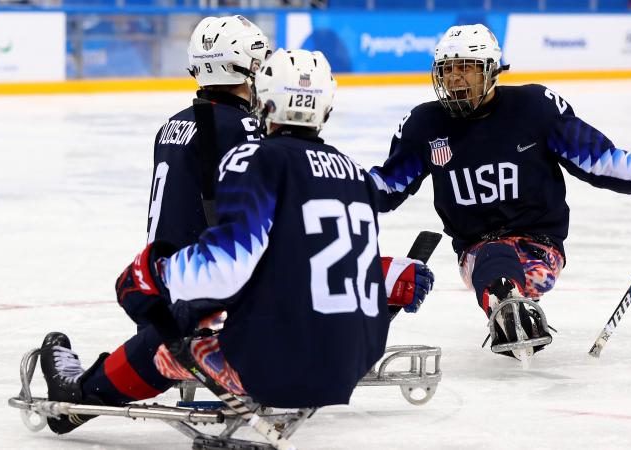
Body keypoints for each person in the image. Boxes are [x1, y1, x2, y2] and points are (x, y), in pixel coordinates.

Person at [35, 48, 435, 435]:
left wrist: (152, 275)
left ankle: (81, 395)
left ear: (264, 99)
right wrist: (390, 273)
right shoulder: (353, 172)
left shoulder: (254, 159)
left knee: (173, 337)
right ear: (327, 105)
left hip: (273, 369)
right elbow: (316, 258)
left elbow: (225, 268)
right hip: (351, 363)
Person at [368, 24, 631, 361]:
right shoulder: (423, 125)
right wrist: (339, 186)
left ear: (490, 71)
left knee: (501, 262)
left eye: (465, 68)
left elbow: (597, 159)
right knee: (492, 257)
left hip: (541, 247)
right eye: (447, 69)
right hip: (475, 253)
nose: (454, 77)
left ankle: (511, 305)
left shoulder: (534, 107)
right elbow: (388, 185)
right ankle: (508, 303)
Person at [146, 15, 268, 251]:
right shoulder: (242, 127)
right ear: (240, 67)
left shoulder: (171, 125)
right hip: (202, 277)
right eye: (257, 65)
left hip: (161, 272)